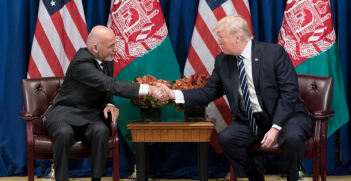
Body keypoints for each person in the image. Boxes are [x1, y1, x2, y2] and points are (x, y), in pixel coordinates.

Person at [156, 15, 312, 181]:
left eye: (221, 37)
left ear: (238, 38)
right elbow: (207, 93)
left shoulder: (273, 53)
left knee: (293, 137)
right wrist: (172, 94)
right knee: (227, 138)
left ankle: (292, 177)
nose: (218, 42)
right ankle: (254, 178)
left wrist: (275, 127)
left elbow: (289, 93)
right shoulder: (223, 61)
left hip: (287, 117)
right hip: (251, 120)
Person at [45, 25, 167, 181]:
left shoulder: (105, 58)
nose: (116, 49)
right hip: (65, 114)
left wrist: (109, 104)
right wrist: (148, 89)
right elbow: (110, 84)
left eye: (115, 44)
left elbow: (105, 89)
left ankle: (97, 179)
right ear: (95, 48)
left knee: (101, 132)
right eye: (111, 46)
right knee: (64, 133)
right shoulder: (81, 63)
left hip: (90, 117)